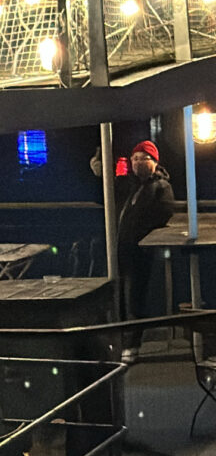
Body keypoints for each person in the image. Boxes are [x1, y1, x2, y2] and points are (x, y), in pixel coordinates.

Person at [90, 140, 175, 360]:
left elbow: (163, 213)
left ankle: (132, 345)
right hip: (119, 250)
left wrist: (140, 236)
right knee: (115, 298)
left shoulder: (161, 186)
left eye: (142, 158)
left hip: (141, 252)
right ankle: (116, 343)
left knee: (135, 299)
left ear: (154, 161)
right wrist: (99, 172)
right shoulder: (128, 184)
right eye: (134, 159)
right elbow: (104, 194)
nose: (137, 163)